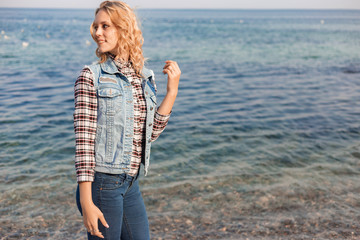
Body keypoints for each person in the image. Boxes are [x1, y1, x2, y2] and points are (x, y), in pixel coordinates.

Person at [73, 1, 181, 239]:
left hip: (131, 183)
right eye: (96, 26)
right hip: (102, 185)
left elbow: (148, 135)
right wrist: (86, 201)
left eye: (105, 26)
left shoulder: (144, 77)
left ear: (123, 29)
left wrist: (171, 92)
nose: (97, 33)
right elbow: (83, 144)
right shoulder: (90, 76)